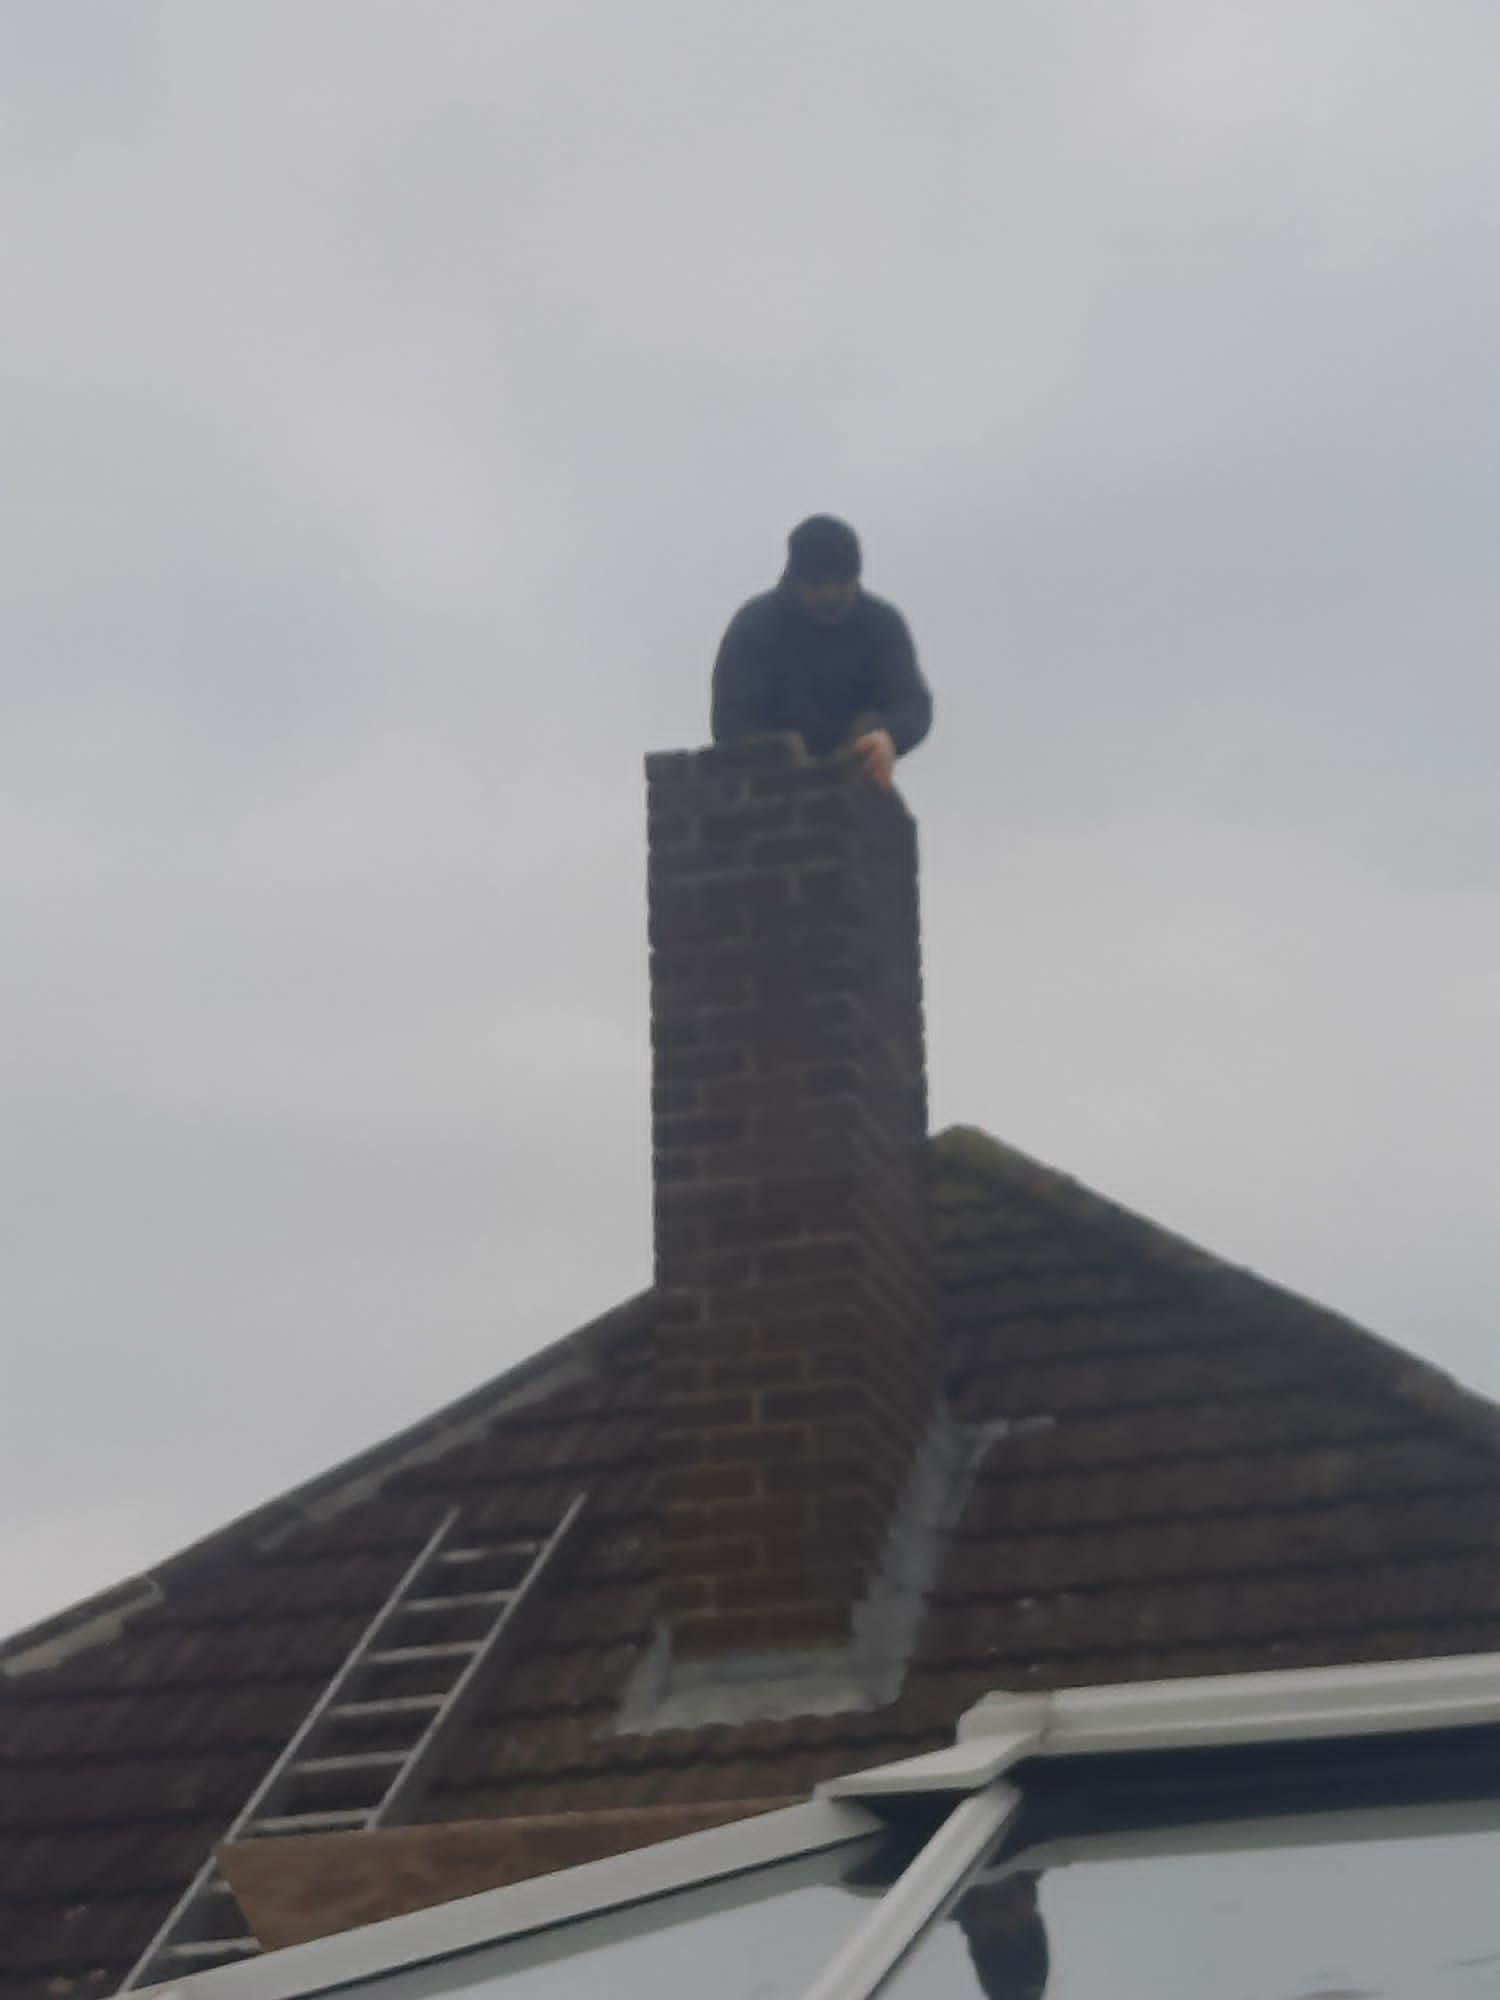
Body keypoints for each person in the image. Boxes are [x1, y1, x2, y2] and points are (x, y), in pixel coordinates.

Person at [710, 515, 933, 789]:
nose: (830, 595)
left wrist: (889, 736)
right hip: (770, 792)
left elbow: (911, 703)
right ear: (795, 580)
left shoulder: (880, 626)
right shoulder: (754, 627)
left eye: (841, 583)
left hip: (856, 785)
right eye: (816, 584)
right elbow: (731, 722)